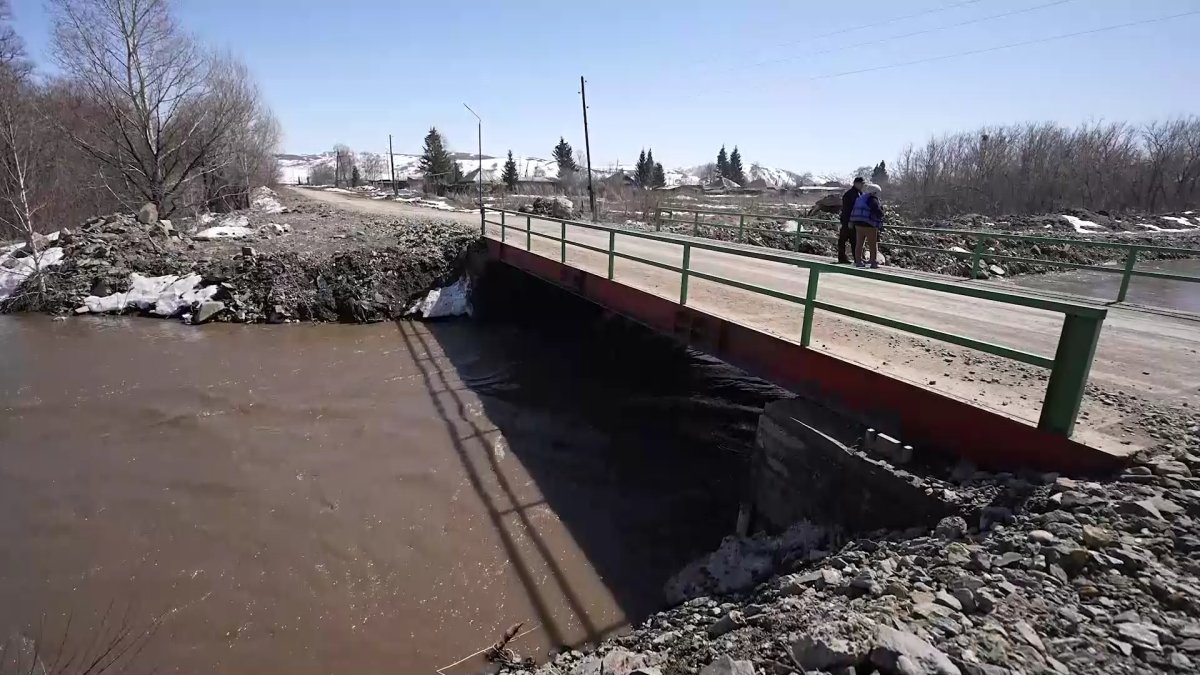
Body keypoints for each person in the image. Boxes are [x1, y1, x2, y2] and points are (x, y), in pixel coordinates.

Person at [850, 183, 884, 268]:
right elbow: (877, 211)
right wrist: (882, 213)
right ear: (875, 192)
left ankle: (858, 261)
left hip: (858, 224)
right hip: (869, 224)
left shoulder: (860, 198)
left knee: (859, 243)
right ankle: (873, 261)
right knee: (872, 244)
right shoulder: (872, 199)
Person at [836, 177, 864, 263]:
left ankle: (857, 258)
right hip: (848, 221)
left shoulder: (860, 194)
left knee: (855, 241)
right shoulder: (849, 194)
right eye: (861, 184)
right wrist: (849, 221)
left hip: (856, 221)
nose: (862, 186)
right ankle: (842, 257)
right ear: (856, 183)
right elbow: (847, 209)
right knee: (843, 240)